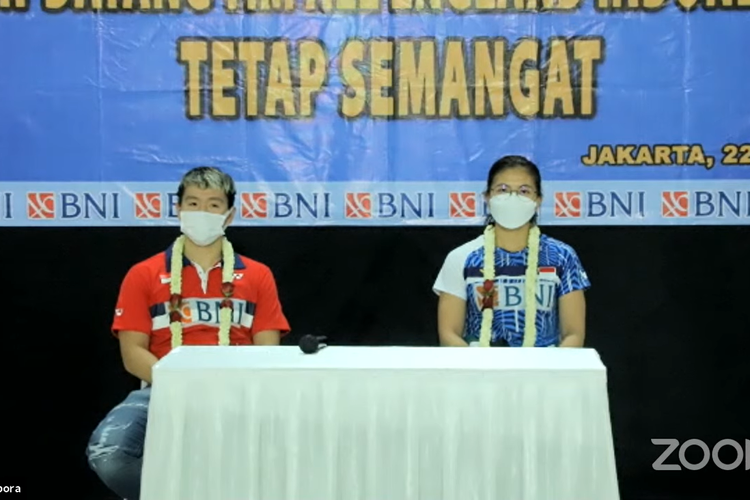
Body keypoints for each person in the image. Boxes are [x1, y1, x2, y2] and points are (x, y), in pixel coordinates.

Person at [86, 166, 290, 500]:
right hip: (163, 388)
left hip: (237, 390)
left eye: (213, 204)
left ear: (229, 215)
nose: (201, 212)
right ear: (178, 209)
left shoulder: (257, 275)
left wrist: (231, 387)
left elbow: (266, 350)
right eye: (192, 203)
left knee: (282, 455)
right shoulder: (144, 273)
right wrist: (179, 383)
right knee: (109, 454)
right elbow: (132, 352)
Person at [433, 155, 590, 348]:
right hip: (480, 373)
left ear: (538, 200)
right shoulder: (461, 258)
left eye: (524, 191)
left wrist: (548, 375)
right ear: (487, 198)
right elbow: (449, 334)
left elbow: (573, 334)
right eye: (503, 190)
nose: (513, 198)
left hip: (544, 373)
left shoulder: (562, 257)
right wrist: (480, 373)